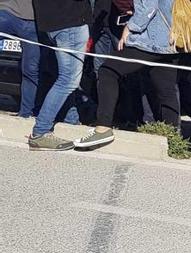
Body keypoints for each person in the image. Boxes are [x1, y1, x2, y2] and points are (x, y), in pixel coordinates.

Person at [74, 0, 181, 149]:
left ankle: (103, 128)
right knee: (166, 90)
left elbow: (149, 7)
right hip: (169, 38)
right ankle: (173, 140)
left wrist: (130, 27)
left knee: (107, 72)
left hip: (150, 41)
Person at [28, 0, 91, 151]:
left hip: (51, 23)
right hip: (69, 22)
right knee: (68, 80)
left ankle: (71, 119)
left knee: (64, 78)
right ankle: (40, 131)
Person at [0, 0, 41, 119]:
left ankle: (26, 113)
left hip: (34, 20)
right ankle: (26, 113)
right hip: (9, 12)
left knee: (31, 70)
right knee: (31, 70)